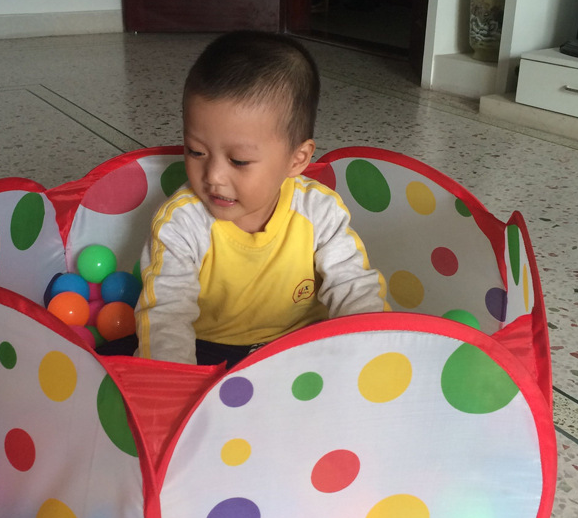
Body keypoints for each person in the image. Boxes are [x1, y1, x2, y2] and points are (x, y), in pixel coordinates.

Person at [134, 30, 389, 367]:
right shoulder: (180, 222)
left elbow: (354, 287)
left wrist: (372, 355)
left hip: (301, 346)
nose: (213, 176)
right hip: (208, 350)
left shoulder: (319, 212)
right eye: (196, 151)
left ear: (296, 159)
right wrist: (176, 381)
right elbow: (166, 316)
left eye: (239, 161)